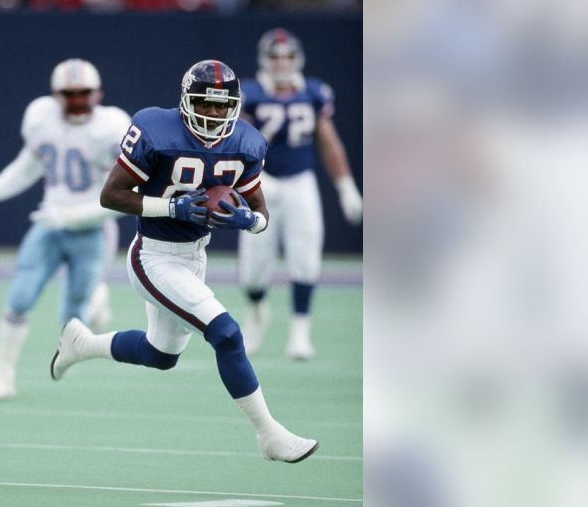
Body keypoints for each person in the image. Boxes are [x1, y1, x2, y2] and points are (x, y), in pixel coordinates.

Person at [49, 59, 319, 463]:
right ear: (186, 100)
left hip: (195, 256)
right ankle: (269, 434)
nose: (213, 113)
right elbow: (112, 195)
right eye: (204, 104)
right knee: (227, 333)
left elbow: (260, 212)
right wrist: (170, 207)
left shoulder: (245, 142)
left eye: (221, 105)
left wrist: (251, 221)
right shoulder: (155, 129)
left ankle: (83, 344)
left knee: (161, 356)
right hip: (153, 257)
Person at [0, 58, 130, 401]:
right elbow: (28, 165)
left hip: (93, 230)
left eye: (83, 93)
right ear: (55, 94)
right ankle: (2, 376)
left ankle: (95, 301)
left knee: (73, 314)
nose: (77, 100)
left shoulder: (113, 126)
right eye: (69, 94)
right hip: (48, 224)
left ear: (98, 94)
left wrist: (75, 216)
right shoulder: (41, 117)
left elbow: (128, 192)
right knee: (20, 297)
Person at [236, 28, 362, 359]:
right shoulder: (249, 94)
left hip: (300, 182)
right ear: (264, 60)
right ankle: (257, 312)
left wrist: (345, 185)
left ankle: (300, 333)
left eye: (288, 56)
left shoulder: (314, 92)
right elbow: (237, 141)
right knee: (253, 266)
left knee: (305, 258)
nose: (281, 63)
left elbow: (328, 140)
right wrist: (254, 175)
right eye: (275, 57)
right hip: (259, 183)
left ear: (298, 59)